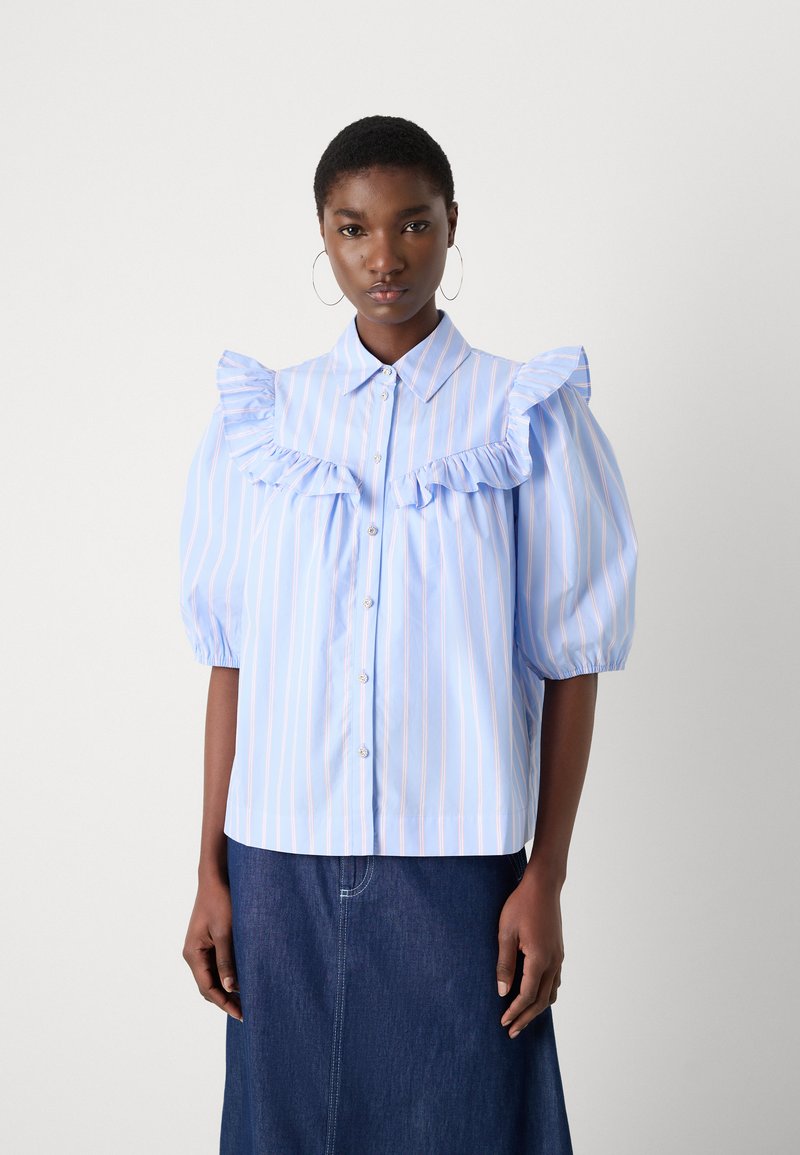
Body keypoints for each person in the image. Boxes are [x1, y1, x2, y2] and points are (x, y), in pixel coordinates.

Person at [178, 114, 638, 1155]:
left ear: (451, 225)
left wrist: (545, 875)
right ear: (323, 234)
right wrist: (209, 869)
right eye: (353, 228)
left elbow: (571, 661)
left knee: (469, 1126)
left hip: (458, 866)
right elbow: (231, 658)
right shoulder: (263, 421)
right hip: (277, 861)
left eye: (412, 224)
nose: (383, 257)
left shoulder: (524, 414)